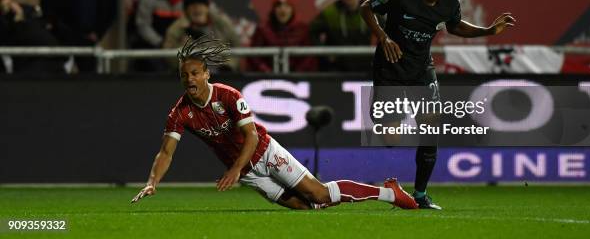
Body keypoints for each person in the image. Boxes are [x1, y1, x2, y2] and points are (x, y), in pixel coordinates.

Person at [131, 35, 418, 211]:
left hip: (265, 152)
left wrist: (233, 169)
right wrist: (152, 181)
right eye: (185, 75)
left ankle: (387, 192)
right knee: (302, 207)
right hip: (247, 173)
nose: (189, 79)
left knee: (317, 193)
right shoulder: (180, 112)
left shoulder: (229, 96)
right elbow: (166, 152)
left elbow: (252, 137)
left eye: (195, 73)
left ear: (206, 73)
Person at [359, 0, 516, 209]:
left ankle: (420, 195)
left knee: (431, 131)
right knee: (391, 138)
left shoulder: (450, 2)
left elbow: (454, 26)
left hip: (422, 70)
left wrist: (486, 31)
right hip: (390, 68)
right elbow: (366, 7)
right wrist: (383, 37)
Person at [163, 0, 240, 70]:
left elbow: (237, 46)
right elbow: (168, 54)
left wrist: (228, 66)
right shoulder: (177, 28)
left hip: (221, 75)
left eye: (200, 4)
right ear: (186, 10)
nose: (197, 9)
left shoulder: (221, 23)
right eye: (192, 5)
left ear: (207, 7)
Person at [248, 0, 317, 72]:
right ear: (274, 9)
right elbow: (254, 57)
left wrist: (295, 75)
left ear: (292, 9)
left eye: (287, 6)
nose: (283, 10)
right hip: (266, 81)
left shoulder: (302, 29)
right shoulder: (263, 29)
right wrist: (267, 72)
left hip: (297, 81)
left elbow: (309, 58)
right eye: (279, 5)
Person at [310, 0, 371, 72]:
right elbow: (311, 33)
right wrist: (326, 54)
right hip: (336, 70)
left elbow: (387, 31)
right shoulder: (330, 13)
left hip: (365, 70)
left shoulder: (370, 12)